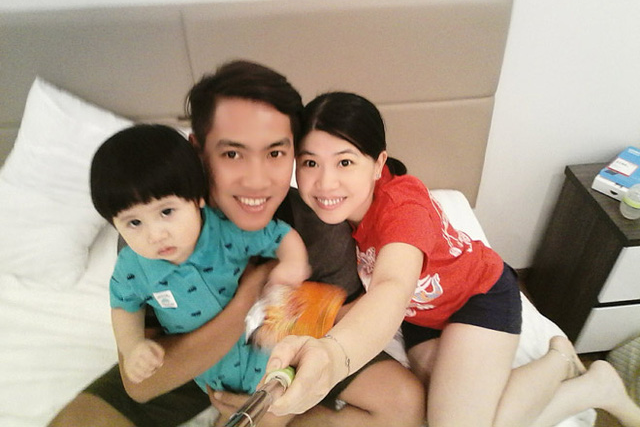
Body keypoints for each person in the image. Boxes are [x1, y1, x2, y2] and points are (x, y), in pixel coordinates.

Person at [48, 61, 424, 427]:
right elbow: (142, 385)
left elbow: (347, 318)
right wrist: (248, 297)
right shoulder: (154, 229)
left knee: (401, 402)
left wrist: (275, 407)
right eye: (232, 154)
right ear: (198, 150)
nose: (256, 181)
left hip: (276, 356)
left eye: (275, 153)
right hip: (191, 358)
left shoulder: (314, 229)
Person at [265, 91, 640, 427]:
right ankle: (582, 379)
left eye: (345, 163)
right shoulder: (330, 216)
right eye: (310, 163)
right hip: (422, 314)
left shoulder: (402, 208)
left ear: (378, 164)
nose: (325, 183)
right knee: (440, 409)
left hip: (477, 297)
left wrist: (336, 354)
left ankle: (573, 371)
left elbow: (392, 285)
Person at [89, 123, 309, 392]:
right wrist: (132, 346)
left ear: (197, 198)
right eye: (134, 223)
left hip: (266, 349)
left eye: (167, 212)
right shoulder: (132, 266)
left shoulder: (226, 231)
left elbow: (278, 235)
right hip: (209, 371)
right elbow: (124, 307)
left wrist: (293, 262)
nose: (155, 235)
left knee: (288, 394)